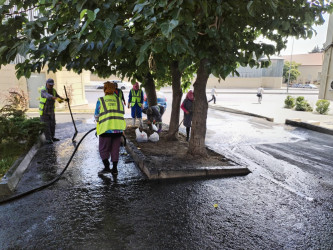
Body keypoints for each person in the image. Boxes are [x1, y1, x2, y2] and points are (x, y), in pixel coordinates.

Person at [95, 81, 126, 176]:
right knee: (115, 149)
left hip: (106, 129)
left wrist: (99, 121)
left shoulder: (101, 100)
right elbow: (122, 112)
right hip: (118, 129)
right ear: (114, 90)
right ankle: (115, 169)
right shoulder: (119, 100)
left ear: (105, 90)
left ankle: (107, 167)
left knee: (103, 149)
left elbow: (96, 116)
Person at [39, 78, 68, 144]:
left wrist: (65, 99)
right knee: (46, 125)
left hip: (51, 111)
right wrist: (55, 98)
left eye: (52, 85)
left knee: (52, 125)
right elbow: (48, 96)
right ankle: (48, 139)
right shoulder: (43, 90)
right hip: (44, 111)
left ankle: (52, 137)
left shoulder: (53, 90)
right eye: (50, 85)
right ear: (46, 84)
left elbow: (58, 96)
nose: (51, 86)